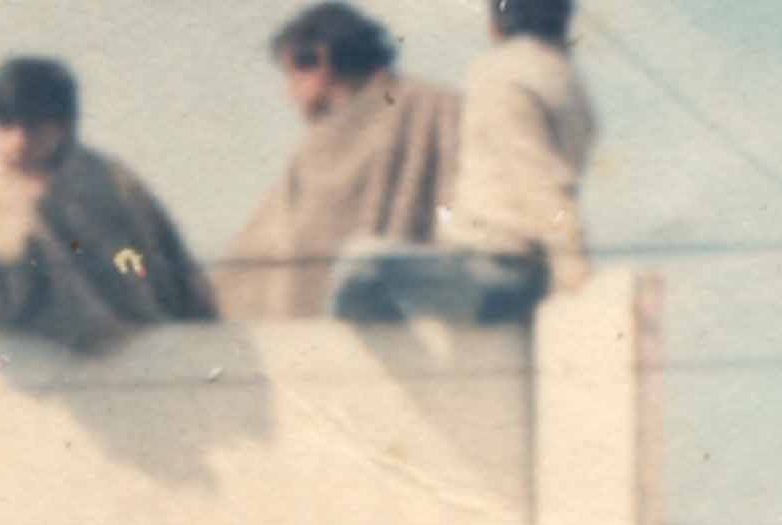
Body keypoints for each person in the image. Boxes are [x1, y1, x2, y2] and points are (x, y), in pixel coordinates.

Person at [0, 58, 215, 343]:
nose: (19, 140)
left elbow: (166, 268)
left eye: (34, 126)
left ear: (64, 125)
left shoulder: (108, 182)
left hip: (114, 352)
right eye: (6, 125)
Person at [228, 6, 463, 322]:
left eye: (291, 76)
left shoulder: (324, 148)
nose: (289, 96)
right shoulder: (443, 106)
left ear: (319, 61)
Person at [393, 0, 601, 316]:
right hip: (532, 268)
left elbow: (541, 182)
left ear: (495, 22)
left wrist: (578, 278)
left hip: (495, 264)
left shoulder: (500, 74)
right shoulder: (571, 84)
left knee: (363, 266)